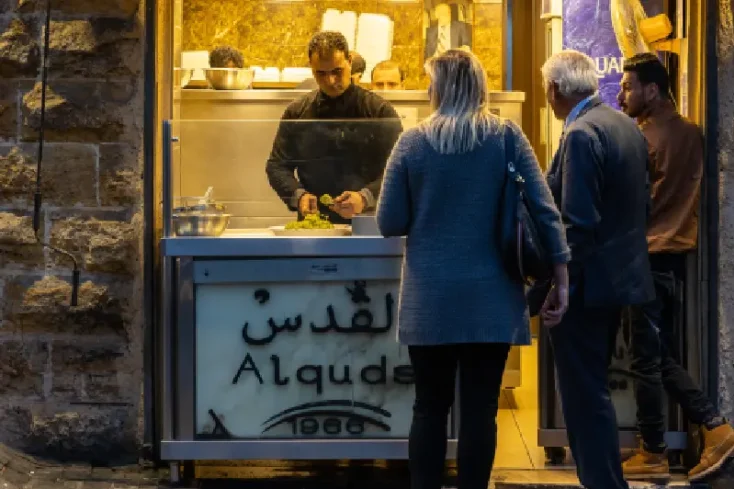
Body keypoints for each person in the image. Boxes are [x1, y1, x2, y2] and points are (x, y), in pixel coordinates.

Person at [376, 49, 570, 489]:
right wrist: (561, 278)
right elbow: (545, 211)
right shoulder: (506, 137)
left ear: (440, 89)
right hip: (492, 300)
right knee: (481, 410)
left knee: (429, 406)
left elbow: (390, 222)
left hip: (431, 300)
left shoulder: (412, 142)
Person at [536, 50, 655, 489]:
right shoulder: (625, 126)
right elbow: (645, 204)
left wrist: (555, 286)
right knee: (595, 391)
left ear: (555, 89)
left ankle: (603, 484)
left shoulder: (581, 135)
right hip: (620, 279)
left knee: (584, 397)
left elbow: (577, 226)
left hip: (586, 286)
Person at [617, 52, 734, 482]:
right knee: (659, 353)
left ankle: (669, 444)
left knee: (648, 359)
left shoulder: (643, 138)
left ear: (652, 89)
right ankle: (705, 430)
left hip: (645, 256)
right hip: (676, 258)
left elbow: (630, 203)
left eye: (629, 86)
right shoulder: (691, 132)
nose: (622, 93)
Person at [266, 33, 402, 223]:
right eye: (321, 73)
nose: (330, 81)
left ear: (350, 61)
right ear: (311, 68)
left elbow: (400, 168)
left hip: (369, 223)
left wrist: (365, 197)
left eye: (337, 71)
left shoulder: (379, 110)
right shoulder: (297, 112)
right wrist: (298, 195)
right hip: (314, 224)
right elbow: (276, 166)